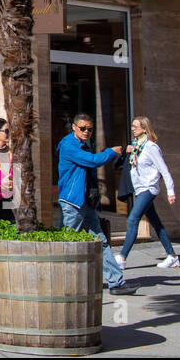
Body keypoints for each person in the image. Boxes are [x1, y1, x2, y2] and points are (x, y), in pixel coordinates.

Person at [57, 112, 134, 295]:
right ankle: (61, 284)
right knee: (67, 244)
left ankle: (116, 283)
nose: (86, 132)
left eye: (89, 129)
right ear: (74, 127)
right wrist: (111, 151)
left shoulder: (84, 144)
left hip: (86, 202)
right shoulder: (69, 145)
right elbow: (93, 161)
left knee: (101, 242)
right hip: (73, 203)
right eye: (82, 128)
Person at [116, 116, 180, 270]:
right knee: (156, 223)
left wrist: (170, 191)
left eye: (136, 126)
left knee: (133, 219)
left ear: (144, 128)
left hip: (148, 189)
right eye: (132, 126)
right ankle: (172, 256)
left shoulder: (151, 147)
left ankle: (122, 257)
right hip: (140, 189)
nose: (133, 129)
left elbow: (164, 170)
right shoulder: (136, 146)